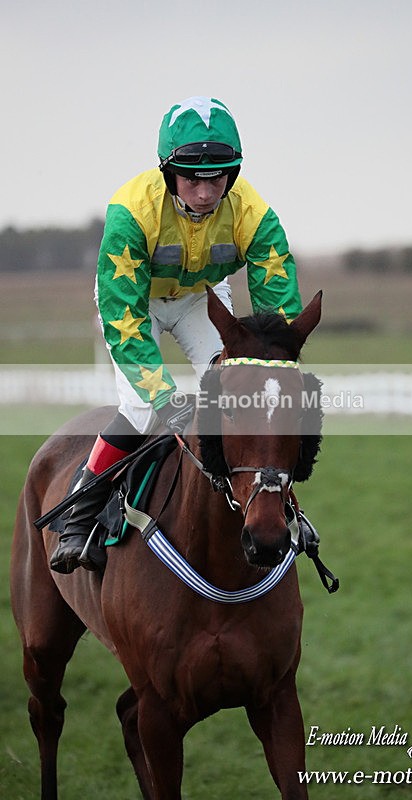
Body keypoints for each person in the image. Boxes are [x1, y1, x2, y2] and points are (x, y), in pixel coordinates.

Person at [50, 95, 317, 574]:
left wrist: (270, 361)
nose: (204, 191)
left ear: (232, 174)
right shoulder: (131, 212)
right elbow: (125, 321)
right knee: (140, 406)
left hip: (200, 298)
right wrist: (165, 395)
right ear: (168, 171)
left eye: (217, 176)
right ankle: (80, 510)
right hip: (136, 303)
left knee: (238, 390)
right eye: (192, 177)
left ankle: (271, 500)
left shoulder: (254, 212)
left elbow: (276, 301)